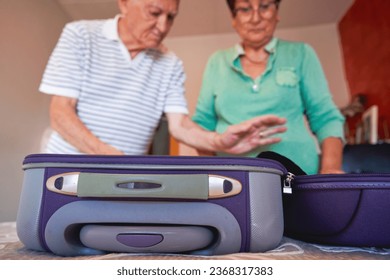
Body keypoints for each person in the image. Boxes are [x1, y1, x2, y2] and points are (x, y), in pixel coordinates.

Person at [39, 0, 287, 156]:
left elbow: (179, 125)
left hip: (122, 178)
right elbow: (60, 112)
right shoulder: (80, 34)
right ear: (124, 3)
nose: (163, 26)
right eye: (154, 12)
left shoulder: (170, 62)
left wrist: (219, 140)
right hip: (66, 169)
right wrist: (108, 156)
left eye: (171, 17)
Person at [192, 0, 345, 175]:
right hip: (233, 181)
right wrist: (215, 174)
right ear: (233, 19)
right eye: (244, 9)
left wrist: (330, 168)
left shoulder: (301, 53)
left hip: (298, 176)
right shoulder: (216, 61)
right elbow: (201, 125)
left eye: (264, 6)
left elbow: (326, 117)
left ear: (277, 13)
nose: (255, 18)